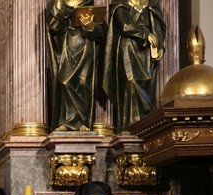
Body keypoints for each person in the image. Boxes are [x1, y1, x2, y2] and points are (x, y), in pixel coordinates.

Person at [103, 0, 165, 132]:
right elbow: (125, 26)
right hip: (128, 49)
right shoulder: (120, 4)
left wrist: (160, 47)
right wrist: (145, 34)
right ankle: (129, 127)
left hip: (147, 54)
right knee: (130, 83)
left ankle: (144, 127)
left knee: (148, 87)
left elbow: (158, 29)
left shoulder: (152, 5)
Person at [46, 0, 104, 132]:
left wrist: (90, 26)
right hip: (67, 46)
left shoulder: (88, 3)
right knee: (64, 81)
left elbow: (100, 33)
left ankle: (83, 122)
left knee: (83, 82)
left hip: (85, 46)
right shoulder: (59, 4)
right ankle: (65, 122)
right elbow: (54, 27)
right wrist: (58, 5)